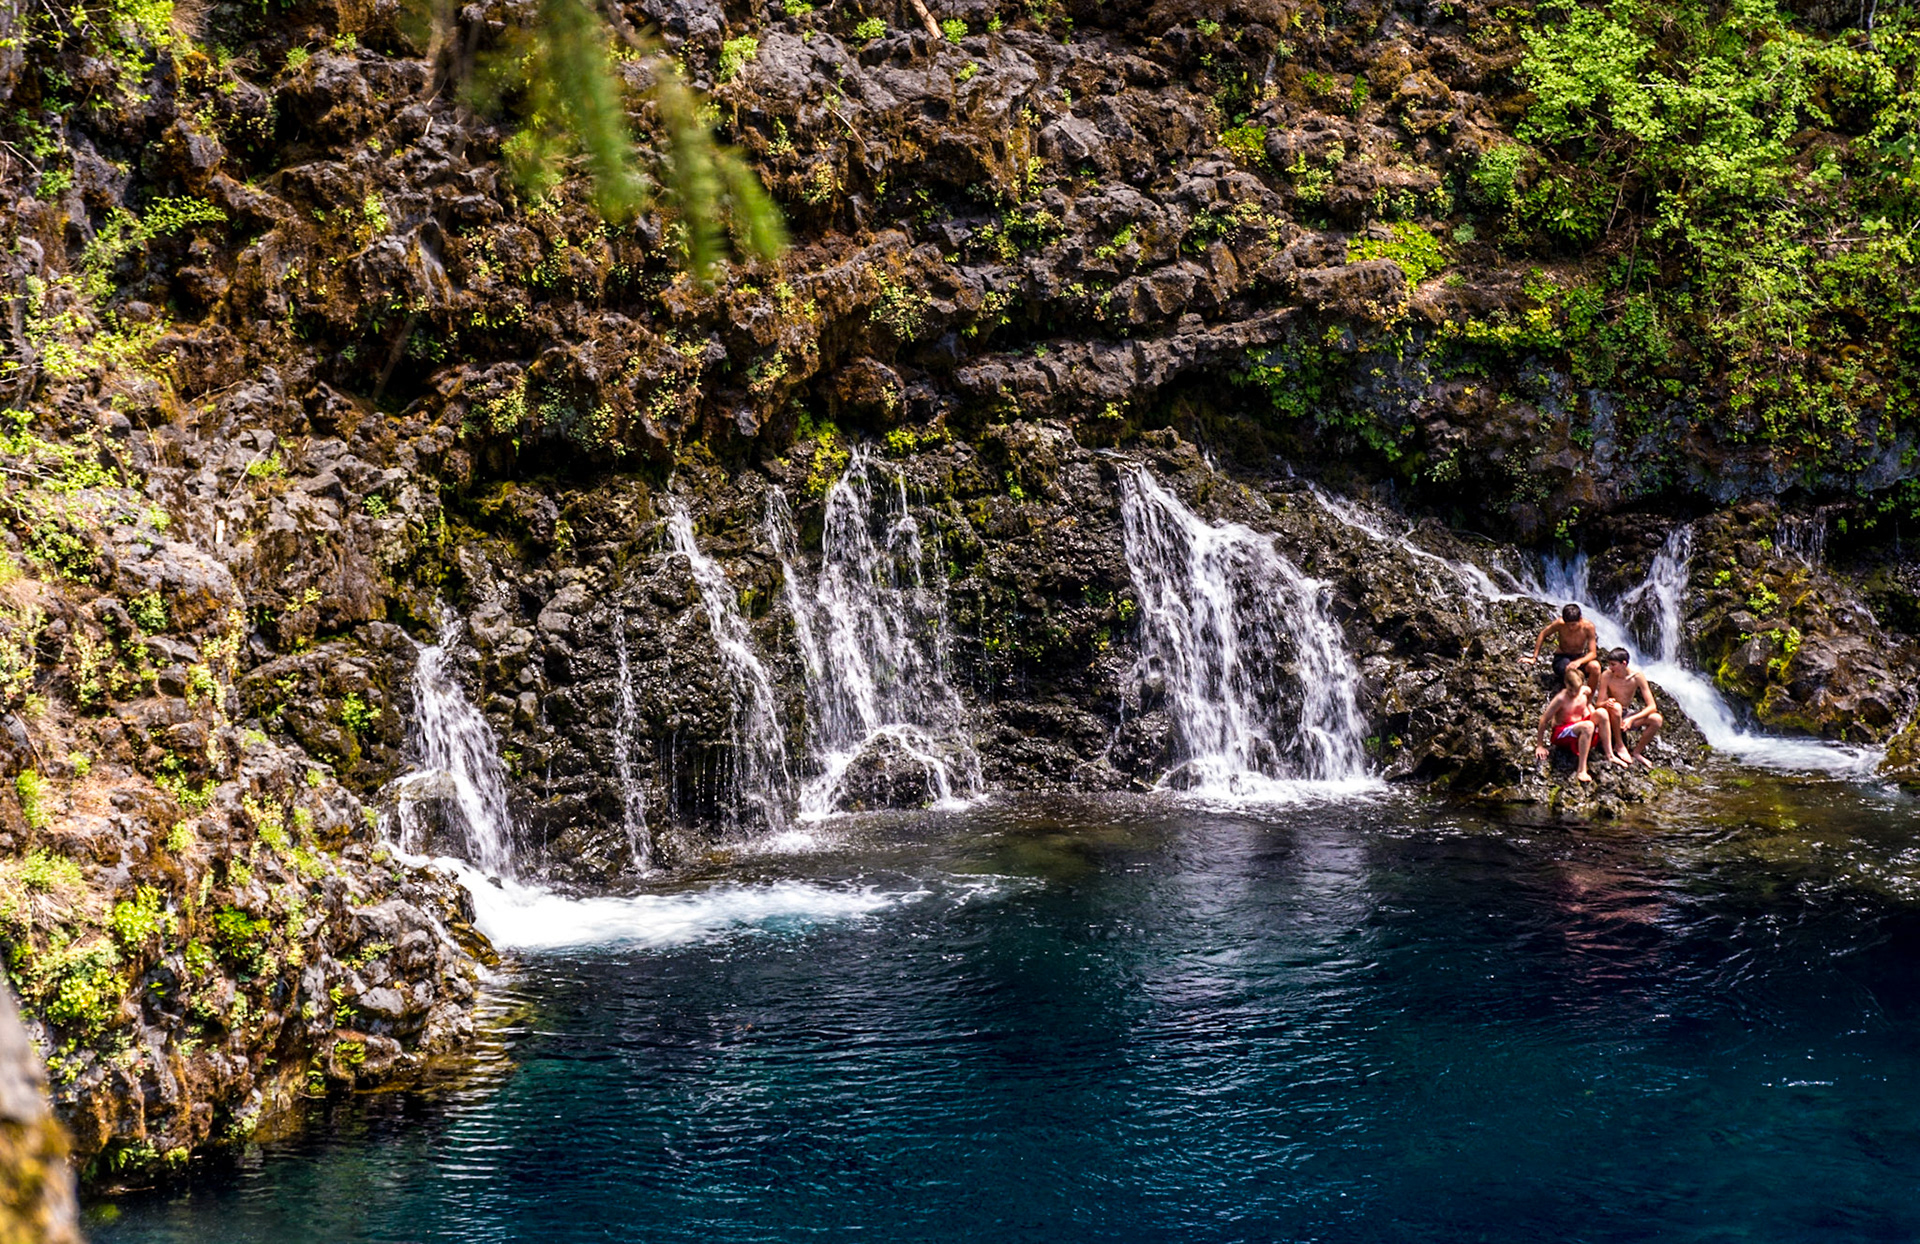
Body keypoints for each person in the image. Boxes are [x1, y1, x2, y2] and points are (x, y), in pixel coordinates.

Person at [1596, 647, 1664, 767]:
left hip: (1626, 715)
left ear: (1624, 664)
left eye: (1613, 665)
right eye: (1609, 665)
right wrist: (1606, 703)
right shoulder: (1607, 675)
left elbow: (1652, 706)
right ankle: (1619, 744)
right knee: (1616, 707)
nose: (1610, 668)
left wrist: (1631, 719)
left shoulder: (1637, 677)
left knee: (1657, 719)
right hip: (1611, 713)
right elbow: (1599, 703)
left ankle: (1637, 752)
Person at [1535, 667, 1600, 783]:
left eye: (1577, 690)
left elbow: (1589, 690)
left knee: (1602, 713)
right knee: (1588, 726)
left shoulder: (1584, 690)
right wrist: (1540, 745)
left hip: (1578, 727)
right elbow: (1543, 720)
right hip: (1561, 733)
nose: (1574, 693)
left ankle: (1610, 753)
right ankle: (1582, 769)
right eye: (1571, 690)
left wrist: (1588, 706)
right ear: (1565, 684)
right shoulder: (1560, 699)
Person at [1529, 603, 1601, 687]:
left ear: (1580, 619)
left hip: (1579, 657)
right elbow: (1542, 634)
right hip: (1562, 657)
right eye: (1568, 625)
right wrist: (1534, 658)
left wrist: (1579, 661)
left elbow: (1593, 653)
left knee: (1595, 667)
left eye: (1573, 625)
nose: (1570, 628)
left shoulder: (1588, 627)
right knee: (1570, 671)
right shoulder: (1560, 624)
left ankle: (1588, 698)